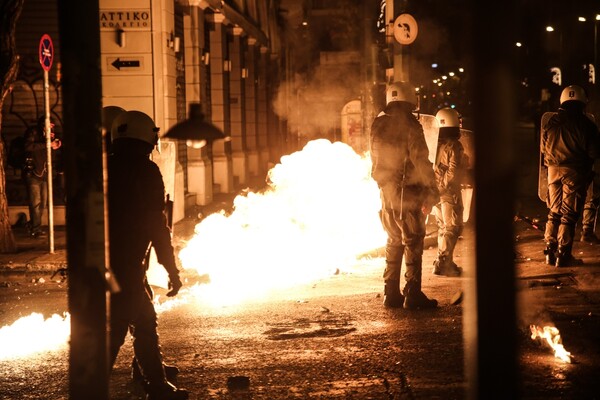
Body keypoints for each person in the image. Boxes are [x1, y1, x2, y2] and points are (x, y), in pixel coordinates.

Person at [107, 110, 189, 400]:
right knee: (124, 328)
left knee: (139, 321)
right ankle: (154, 386)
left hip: (106, 265)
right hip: (128, 265)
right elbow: (157, 227)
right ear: (146, 139)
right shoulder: (146, 171)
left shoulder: (104, 170)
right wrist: (172, 271)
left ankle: (154, 382)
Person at [370, 81, 439, 309]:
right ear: (410, 100)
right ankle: (413, 294)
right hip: (407, 191)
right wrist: (432, 188)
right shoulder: (410, 125)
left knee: (393, 238)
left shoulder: (378, 123)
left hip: (385, 191)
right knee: (413, 238)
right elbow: (420, 159)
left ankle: (391, 293)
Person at [541, 84, 600, 267]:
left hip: (552, 172)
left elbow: (543, 149)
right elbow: (594, 153)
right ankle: (563, 254)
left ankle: (549, 251)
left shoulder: (552, 122)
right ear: (582, 101)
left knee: (554, 212)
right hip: (574, 173)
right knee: (569, 214)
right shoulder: (586, 125)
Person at [431, 107, 469, 277]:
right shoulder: (454, 145)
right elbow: (453, 173)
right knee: (453, 227)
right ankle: (444, 263)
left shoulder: (434, 144)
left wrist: (436, 189)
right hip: (448, 192)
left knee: (442, 227)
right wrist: (445, 187)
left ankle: (442, 260)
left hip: (435, 192)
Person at [23, 116, 62, 238]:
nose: (51, 129)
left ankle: (31, 224)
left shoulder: (49, 136)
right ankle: (36, 229)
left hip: (44, 174)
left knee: (43, 203)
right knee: (35, 202)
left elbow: (50, 155)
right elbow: (28, 147)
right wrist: (47, 144)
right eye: (49, 126)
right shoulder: (33, 132)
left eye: (52, 126)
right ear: (43, 125)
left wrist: (55, 146)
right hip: (33, 172)